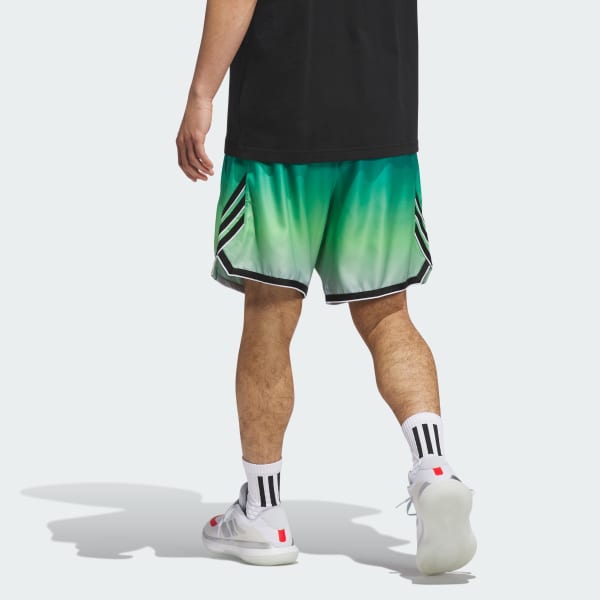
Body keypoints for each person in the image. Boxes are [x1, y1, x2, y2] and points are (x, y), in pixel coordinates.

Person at [176, 0, 476, 575]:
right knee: (388, 315)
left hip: (280, 122)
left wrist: (202, 93)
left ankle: (263, 514)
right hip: (382, 121)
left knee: (270, 314)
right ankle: (434, 470)